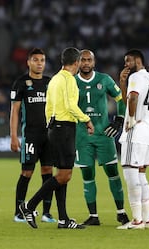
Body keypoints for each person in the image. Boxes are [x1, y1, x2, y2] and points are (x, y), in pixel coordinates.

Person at [19, 47, 94, 229]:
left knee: (62, 175)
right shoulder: (69, 80)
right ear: (76, 63)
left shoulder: (54, 79)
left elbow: (48, 107)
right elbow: (70, 105)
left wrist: (50, 125)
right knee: (65, 174)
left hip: (54, 128)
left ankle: (63, 219)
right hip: (65, 128)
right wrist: (86, 119)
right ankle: (29, 206)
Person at [74, 49, 129, 226]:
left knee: (113, 173)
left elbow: (120, 99)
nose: (86, 63)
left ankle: (121, 213)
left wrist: (119, 119)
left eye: (89, 60)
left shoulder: (104, 79)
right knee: (87, 175)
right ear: (78, 62)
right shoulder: (72, 82)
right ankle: (93, 216)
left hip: (104, 134)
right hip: (82, 136)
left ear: (94, 62)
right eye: (83, 60)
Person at [10, 48, 56, 223]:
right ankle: (18, 213)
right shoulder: (21, 83)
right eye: (35, 60)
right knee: (27, 172)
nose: (39, 63)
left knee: (48, 172)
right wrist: (13, 136)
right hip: (30, 135)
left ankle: (46, 213)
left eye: (42, 60)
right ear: (28, 62)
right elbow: (14, 111)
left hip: (49, 135)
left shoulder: (49, 83)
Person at [117, 49, 149, 230]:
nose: (126, 64)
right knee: (141, 175)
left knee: (130, 174)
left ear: (138, 60)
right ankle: (147, 220)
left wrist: (131, 121)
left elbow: (133, 99)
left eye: (128, 61)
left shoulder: (136, 78)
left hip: (136, 131)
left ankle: (137, 220)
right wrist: (122, 83)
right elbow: (130, 99)